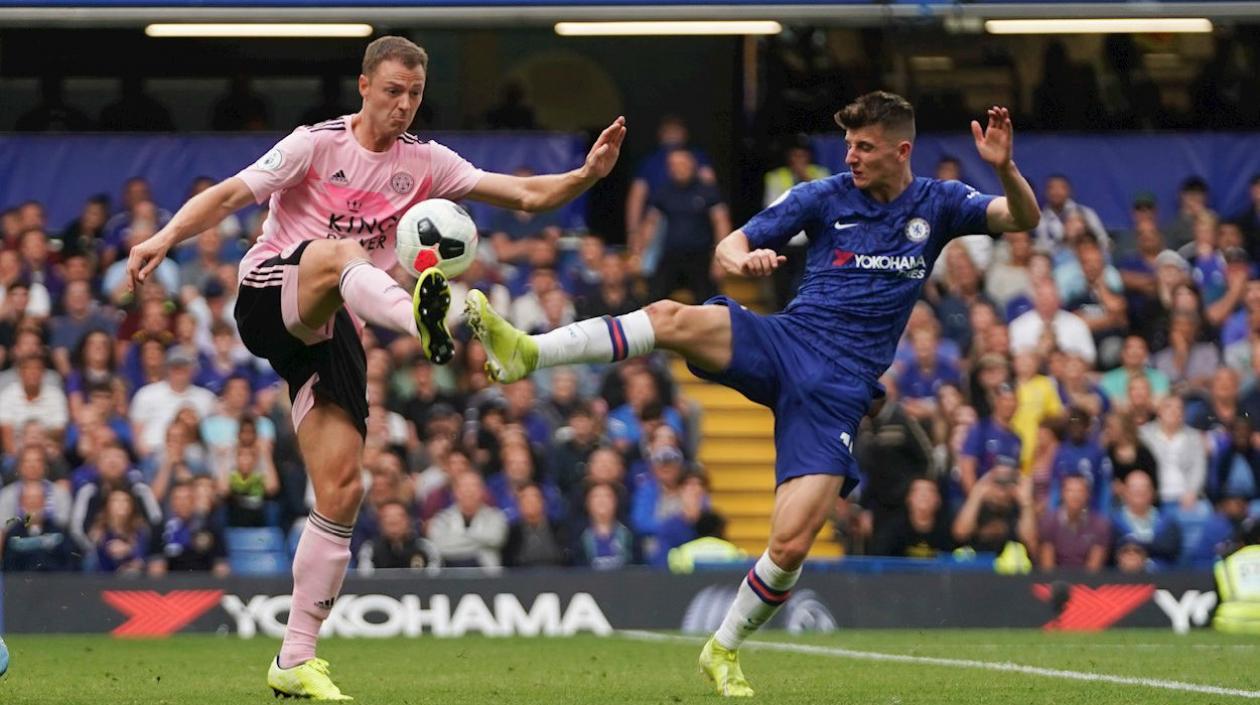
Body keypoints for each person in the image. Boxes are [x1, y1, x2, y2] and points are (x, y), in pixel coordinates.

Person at [463, 92, 1039, 696]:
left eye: (864, 147)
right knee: (671, 317)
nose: (851, 156)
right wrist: (747, 258)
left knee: (790, 544)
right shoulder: (822, 195)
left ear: (902, 150)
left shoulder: (941, 204)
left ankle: (724, 649)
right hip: (785, 341)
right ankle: (528, 351)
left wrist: (1003, 167)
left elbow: (1021, 218)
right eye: (848, 144)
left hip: (839, 393)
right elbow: (728, 246)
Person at [123, 36, 624, 700]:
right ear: (364, 86)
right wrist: (164, 237)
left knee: (342, 488)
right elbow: (230, 196)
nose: (403, 106)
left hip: (337, 324)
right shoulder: (315, 144)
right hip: (274, 291)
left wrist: (587, 175)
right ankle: (424, 317)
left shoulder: (425, 161)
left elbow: (526, 196)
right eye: (392, 91)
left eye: (414, 94)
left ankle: (294, 657)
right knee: (336, 255)